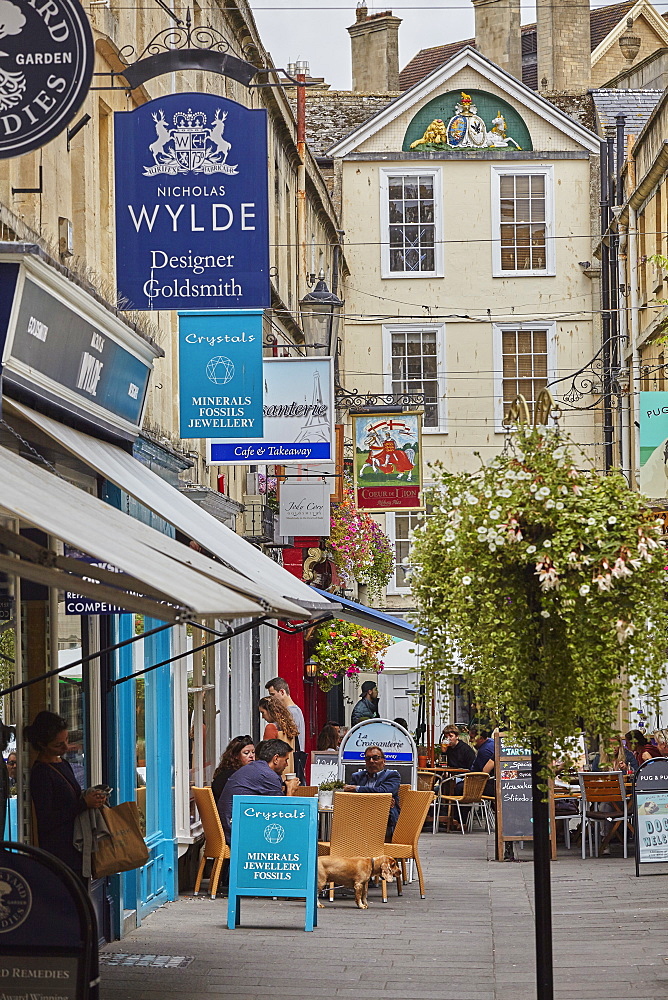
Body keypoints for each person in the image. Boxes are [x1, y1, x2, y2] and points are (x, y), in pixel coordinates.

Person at [25, 711, 107, 876]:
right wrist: (83, 804)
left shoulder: (62, 763)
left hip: (75, 848)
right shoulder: (41, 773)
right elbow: (46, 819)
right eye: (58, 744)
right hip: (61, 854)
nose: (65, 748)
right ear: (42, 744)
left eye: (67, 740)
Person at [217, 739, 300, 841]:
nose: (286, 764)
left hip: (229, 825)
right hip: (237, 832)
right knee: (291, 833)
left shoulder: (257, 768)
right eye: (286, 760)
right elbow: (282, 814)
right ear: (276, 759)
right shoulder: (268, 775)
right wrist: (290, 790)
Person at [344, 745, 400, 832]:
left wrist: (358, 789)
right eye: (368, 758)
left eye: (375, 758)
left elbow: (384, 791)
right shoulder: (357, 776)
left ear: (384, 761)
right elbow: (351, 798)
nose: (371, 761)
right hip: (359, 816)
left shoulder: (392, 775)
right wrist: (380, 800)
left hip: (384, 819)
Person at [211, 736, 255, 803]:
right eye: (246, 753)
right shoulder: (234, 776)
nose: (251, 756)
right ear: (236, 756)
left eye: (253, 752)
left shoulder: (225, 770)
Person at [264, 678, 305, 750]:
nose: (271, 699)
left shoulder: (290, 712)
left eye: (273, 694)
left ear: (282, 692)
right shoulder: (297, 710)